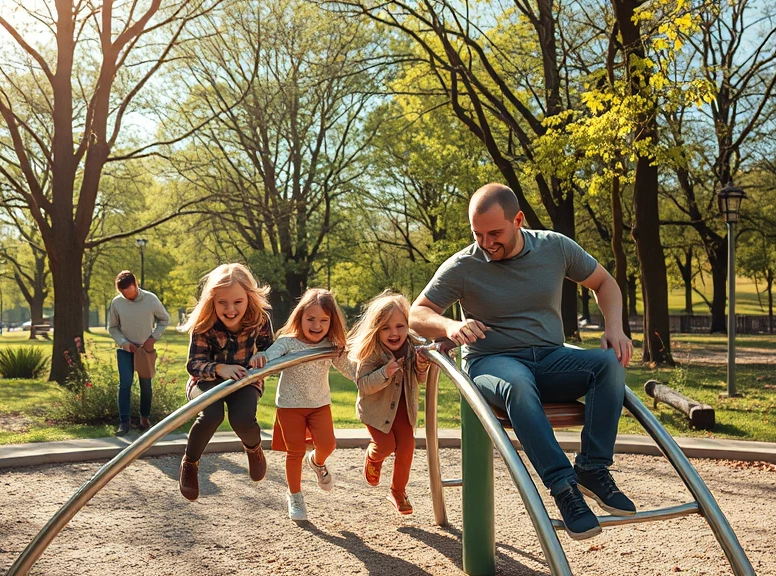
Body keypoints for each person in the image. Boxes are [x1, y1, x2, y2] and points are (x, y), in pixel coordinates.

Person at [409, 182, 635, 540]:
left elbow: (604, 282)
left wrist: (615, 327)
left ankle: (593, 468)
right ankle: (564, 488)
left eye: (495, 232)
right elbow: (417, 313)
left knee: (608, 364)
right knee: (517, 384)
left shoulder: (555, 247)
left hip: (550, 358)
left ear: (518, 220)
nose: (486, 243)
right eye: (478, 234)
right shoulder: (464, 265)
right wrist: (450, 325)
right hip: (493, 362)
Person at [251, 288, 353, 521]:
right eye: (311, 319)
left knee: (328, 444)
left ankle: (317, 462)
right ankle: (295, 495)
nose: (317, 325)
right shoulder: (289, 342)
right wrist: (262, 358)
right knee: (294, 452)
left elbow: (350, 370)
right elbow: (271, 355)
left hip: (319, 404)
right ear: (300, 318)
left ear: (331, 322)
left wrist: (370, 375)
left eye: (324, 320)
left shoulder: (330, 345)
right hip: (290, 405)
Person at [179, 263, 274, 501]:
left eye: (237, 302)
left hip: (243, 380)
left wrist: (263, 356)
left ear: (249, 298)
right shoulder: (204, 323)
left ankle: (254, 449)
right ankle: (190, 463)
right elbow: (194, 364)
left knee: (241, 418)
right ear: (212, 300)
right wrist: (221, 368)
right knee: (212, 415)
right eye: (223, 303)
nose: (230, 309)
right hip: (206, 379)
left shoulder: (259, 319)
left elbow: (270, 350)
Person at [347, 290, 430, 515]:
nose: (393, 333)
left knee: (406, 448)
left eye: (399, 326)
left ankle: (397, 491)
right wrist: (385, 372)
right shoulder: (371, 352)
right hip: (376, 411)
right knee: (385, 445)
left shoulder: (413, 347)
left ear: (407, 325)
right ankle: (373, 458)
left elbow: (421, 377)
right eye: (385, 328)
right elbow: (363, 385)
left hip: (403, 409)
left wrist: (422, 363)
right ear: (376, 329)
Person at [107, 270, 171, 436]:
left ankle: (144, 418)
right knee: (125, 384)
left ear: (136, 285)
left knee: (146, 385)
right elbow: (113, 327)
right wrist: (124, 343)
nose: (127, 297)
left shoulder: (151, 299)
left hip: (144, 350)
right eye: (123, 293)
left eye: (129, 292)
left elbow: (165, 319)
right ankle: (124, 423)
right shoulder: (117, 303)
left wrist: (153, 337)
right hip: (126, 350)